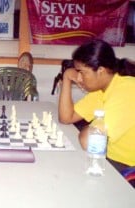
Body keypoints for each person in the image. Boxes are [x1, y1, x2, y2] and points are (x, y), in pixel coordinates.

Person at [58, 39, 135, 185]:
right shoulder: (102, 89)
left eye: (82, 72)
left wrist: (91, 127)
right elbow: (66, 117)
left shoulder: (127, 90)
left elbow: (87, 141)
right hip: (110, 161)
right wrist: (67, 77)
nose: (79, 78)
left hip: (129, 169)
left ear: (101, 71)